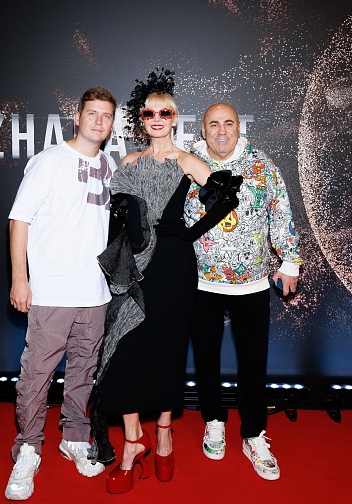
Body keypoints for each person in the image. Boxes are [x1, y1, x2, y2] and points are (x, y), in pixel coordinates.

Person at [88, 70, 242, 495]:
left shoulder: (187, 161)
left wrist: (186, 234)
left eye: (165, 112)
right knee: (123, 347)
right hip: (135, 265)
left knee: (169, 351)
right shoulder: (129, 163)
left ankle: (164, 433)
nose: (157, 119)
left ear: (175, 118)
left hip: (174, 267)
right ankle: (132, 442)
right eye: (149, 113)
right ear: (141, 119)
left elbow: (225, 196)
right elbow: (118, 219)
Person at [5, 86, 118, 501]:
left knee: (83, 373)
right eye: (92, 113)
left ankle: (74, 438)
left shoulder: (109, 165)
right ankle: (28, 450)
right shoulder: (50, 160)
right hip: (52, 291)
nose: (99, 121)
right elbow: (19, 220)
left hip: (95, 293)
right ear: (78, 116)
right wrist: (20, 279)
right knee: (36, 376)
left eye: (106, 116)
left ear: (111, 124)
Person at [182, 102, 303, 481]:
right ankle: (213, 421)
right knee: (206, 360)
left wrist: (290, 261)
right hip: (200, 283)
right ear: (203, 130)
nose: (221, 131)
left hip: (251, 284)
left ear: (239, 127)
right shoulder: (185, 164)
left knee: (253, 363)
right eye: (213, 124)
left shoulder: (262, 166)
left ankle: (253, 434)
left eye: (228, 123)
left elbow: (281, 212)